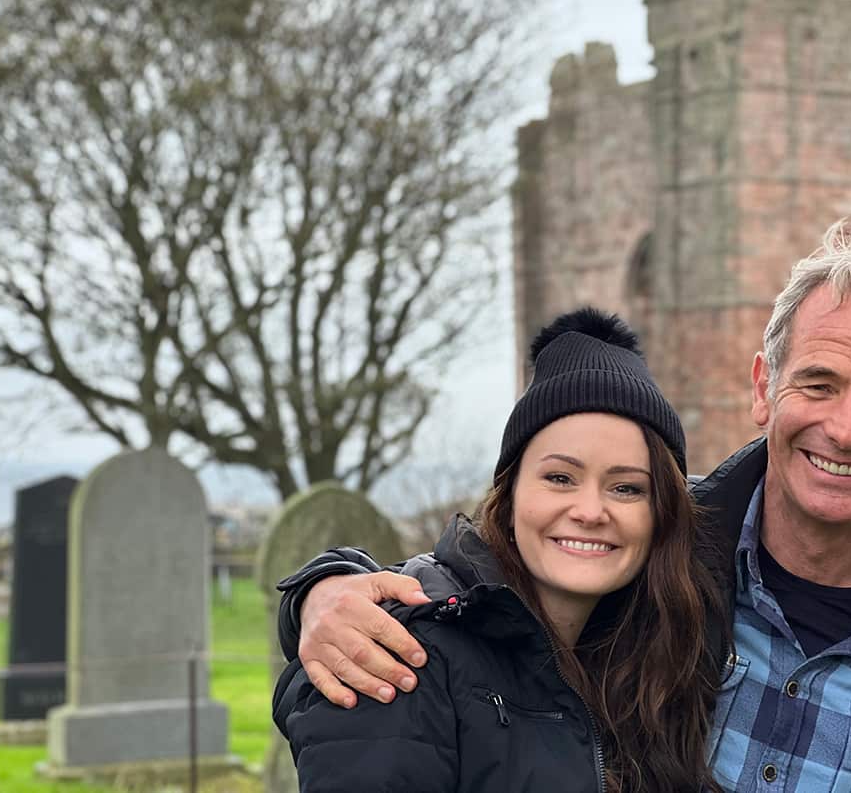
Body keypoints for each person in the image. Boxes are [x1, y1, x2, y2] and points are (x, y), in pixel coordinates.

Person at [278, 219, 851, 792]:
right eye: (816, 383)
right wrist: (327, 593)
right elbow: (486, 599)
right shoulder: (645, 561)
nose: (846, 427)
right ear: (761, 389)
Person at [273, 308, 724, 793]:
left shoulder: (652, 660)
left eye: (627, 488)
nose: (590, 510)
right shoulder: (401, 656)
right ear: (509, 497)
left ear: (662, 517)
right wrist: (317, 588)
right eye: (559, 478)